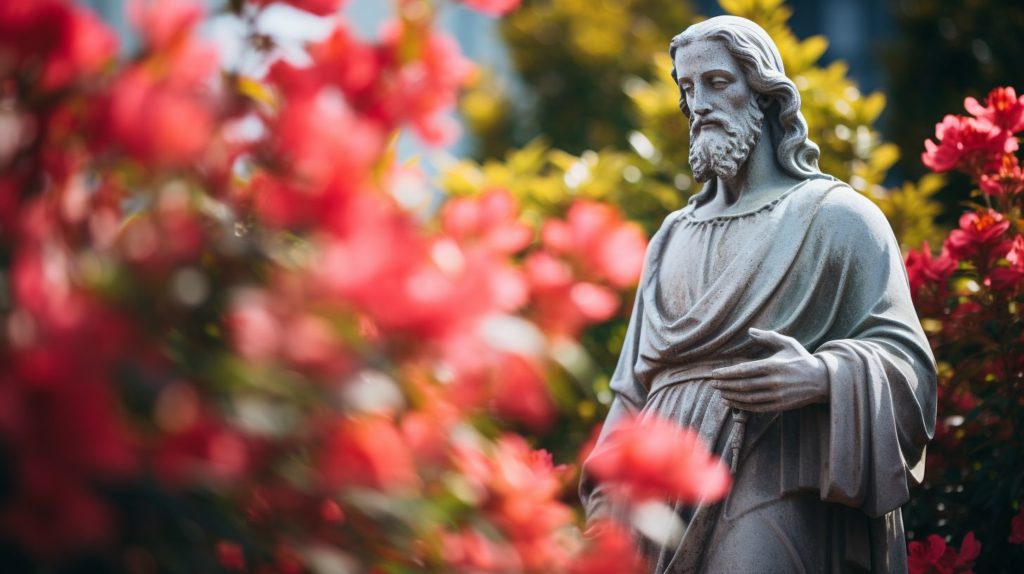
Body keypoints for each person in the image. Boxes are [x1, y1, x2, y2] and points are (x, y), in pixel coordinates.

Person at [579, 16, 936, 573]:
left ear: (766, 93)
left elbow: (909, 365)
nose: (698, 104)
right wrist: (605, 499)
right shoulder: (671, 238)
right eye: (687, 88)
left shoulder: (837, 218)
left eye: (717, 82)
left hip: (773, 465)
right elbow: (632, 391)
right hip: (655, 497)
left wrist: (823, 378)